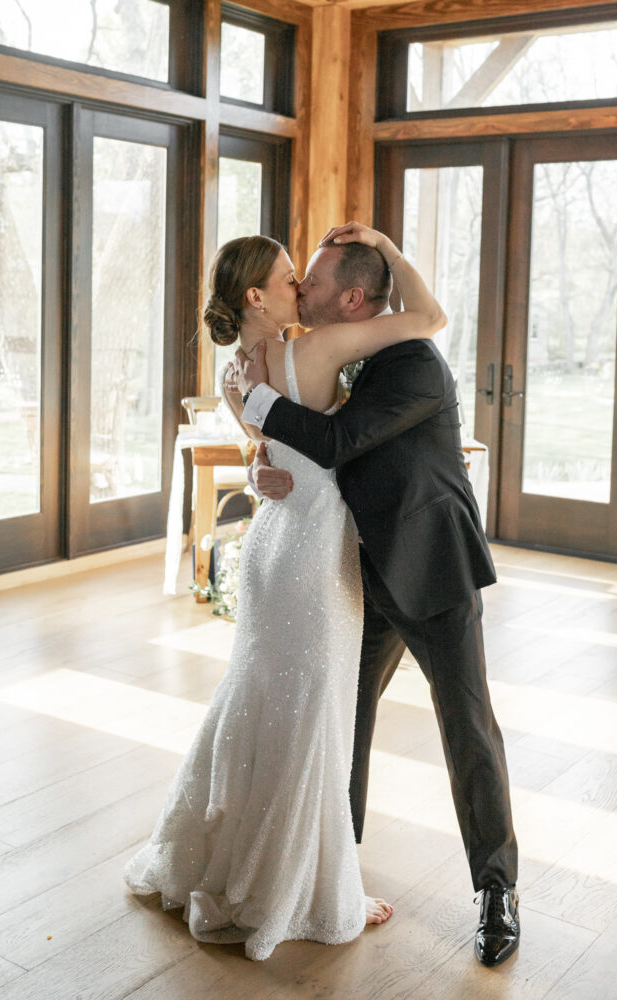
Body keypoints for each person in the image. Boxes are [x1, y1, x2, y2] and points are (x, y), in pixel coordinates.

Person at [124, 227, 446, 961]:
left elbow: (266, 458)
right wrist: (388, 250)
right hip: (312, 554)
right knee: (314, 712)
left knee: (262, 697)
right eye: (289, 276)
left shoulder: (237, 372)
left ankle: (228, 860)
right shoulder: (320, 349)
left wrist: (254, 473)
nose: (302, 287)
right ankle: (305, 886)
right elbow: (427, 319)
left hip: (270, 546)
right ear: (257, 295)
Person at [234, 221, 520, 968]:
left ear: (354, 299)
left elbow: (336, 442)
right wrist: (258, 472)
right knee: (341, 717)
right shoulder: (330, 353)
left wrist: (254, 399)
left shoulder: (415, 366)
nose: (303, 289)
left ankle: (496, 891)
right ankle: (334, 870)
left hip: (429, 571)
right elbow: (300, 459)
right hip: (351, 573)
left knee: (467, 729)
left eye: (316, 280)